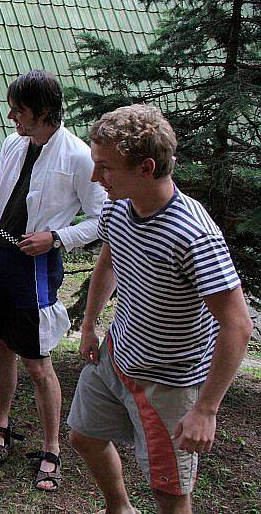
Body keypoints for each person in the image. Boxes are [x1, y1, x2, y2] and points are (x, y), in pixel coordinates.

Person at [68, 104, 253, 514]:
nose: (95, 177)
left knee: (169, 493)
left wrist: (206, 408)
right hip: (117, 357)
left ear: (146, 167)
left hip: (168, 382)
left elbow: (237, 326)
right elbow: (111, 258)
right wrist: (90, 324)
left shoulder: (192, 235)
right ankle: (120, 509)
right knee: (84, 436)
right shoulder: (118, 206)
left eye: (105, 167)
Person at [0, 70, 105, 492]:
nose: (11, 115)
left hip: (35, 268)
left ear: (44, 112)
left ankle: (52, 447)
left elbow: (104, 220)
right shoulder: (14, 142)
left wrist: (58, 237)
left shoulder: (78, 156)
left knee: (37, 361)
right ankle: (1, 424)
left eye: (20, 109)